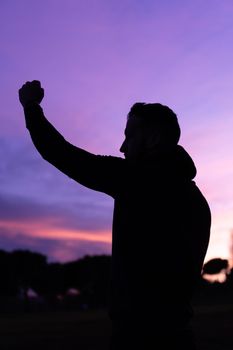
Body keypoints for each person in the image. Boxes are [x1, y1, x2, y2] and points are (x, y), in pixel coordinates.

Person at [18, 80, 211, 349]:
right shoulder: (196, 200)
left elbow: (62, 154)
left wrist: (31, 106)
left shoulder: (136, 179)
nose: (122, 147)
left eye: (129, 136)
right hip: (179, 334)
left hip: (137, 337)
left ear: (153, 138)